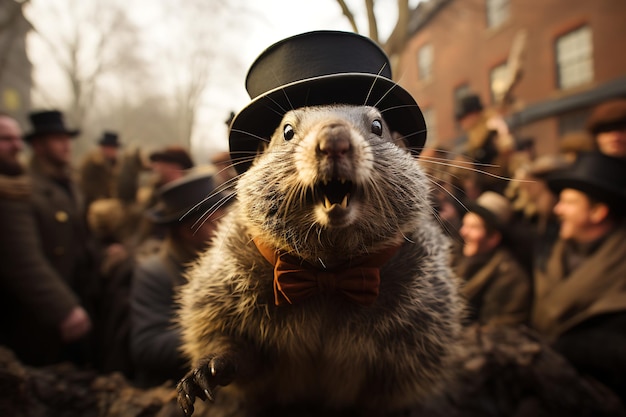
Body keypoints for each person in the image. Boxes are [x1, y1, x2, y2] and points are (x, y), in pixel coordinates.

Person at [531, 151, 626, 403]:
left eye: (570, 202)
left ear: (598, 213)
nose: (557, 209)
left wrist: (574, 348)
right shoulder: (549, 251)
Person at [0, 112, 93, 367]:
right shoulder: (18, 188)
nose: (66, 145)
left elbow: (81, 239)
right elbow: (23, 260)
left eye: (67, 138)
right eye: (57, 139)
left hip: (76, 292)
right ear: (39, 145)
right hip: (36, 316)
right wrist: (63, 307)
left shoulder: (69, 183)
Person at [129, 169, 232, 388]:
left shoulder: (227, 263)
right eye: (214, 224)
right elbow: (148, 346)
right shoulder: (154, 273)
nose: (225, 230)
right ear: (188, 231)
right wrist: (222, 333)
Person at [454, 191, 532, 327]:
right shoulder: (455, 253)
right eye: (465, 224)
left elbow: (496, 329)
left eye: (474, 227)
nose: (463, 232)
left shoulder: (509, 275)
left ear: (493, 238)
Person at [455, 93, 516, 195]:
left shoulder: (492, 125)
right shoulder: (475, 133)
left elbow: (505, 149)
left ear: (474, 113)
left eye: (463, 118)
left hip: (501, 181)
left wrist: (472, 164)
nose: (462, 123)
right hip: (488, 182)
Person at [78, 130, 122, 209]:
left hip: (107, 202)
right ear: (104, 148)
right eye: (112, 148)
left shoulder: (115, 163)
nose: (114, 151)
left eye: (115, 148)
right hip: (92, 203)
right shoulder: (93, 162)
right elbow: (84, 184)